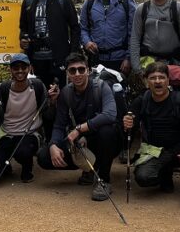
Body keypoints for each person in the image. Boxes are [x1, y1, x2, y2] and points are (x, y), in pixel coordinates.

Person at [37, 53, 119, 201]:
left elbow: (110, 114)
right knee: (44, 157)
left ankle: (103, 179)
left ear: (88, 70)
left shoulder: (101, 87)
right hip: (79, 143)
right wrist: (53, 145)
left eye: (81, 69)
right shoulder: (66, 93)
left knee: (107, 131)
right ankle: (89, 169)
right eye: (72, 70)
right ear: (67, 73)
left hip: (103, 141)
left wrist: (80, 129)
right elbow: (59, 124)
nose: (77, 74)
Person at [123, 62, 180, 211]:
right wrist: (127, 124)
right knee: (143, 178)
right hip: (155, 150)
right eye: (153, 78)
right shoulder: (142, 100)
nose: (158, 81)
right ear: (147, 81)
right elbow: (130, 129)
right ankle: (164, 174)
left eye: (162, 77)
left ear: (168, 80)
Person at [0, 53, 50, 185]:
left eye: (23, 67)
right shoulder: (1, 89)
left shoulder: (38, 86)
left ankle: (27, 168)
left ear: (29, 68)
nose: (20, 71)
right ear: (10, 70)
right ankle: (5, 167)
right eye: (16, 67)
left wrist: (52, 102)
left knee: (23, 151)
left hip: (29, 134)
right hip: (7, 134)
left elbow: (47, 113)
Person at [19, 0, 80, 89]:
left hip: (59, 59)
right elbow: (23, 28)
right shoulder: (28, 2)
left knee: (62, 95)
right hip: (36, 61)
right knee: (39, 95)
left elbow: (75, 27)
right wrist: (23, 40)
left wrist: (73, 54)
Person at [79, 0, 136, 75]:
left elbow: (134, 33)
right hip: (96, 59)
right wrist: (86, 42)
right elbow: (83, 28)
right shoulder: (89, 3)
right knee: (96, 91)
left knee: (119, 90)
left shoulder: (127, 2)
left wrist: (129, 58)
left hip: (120, 60)